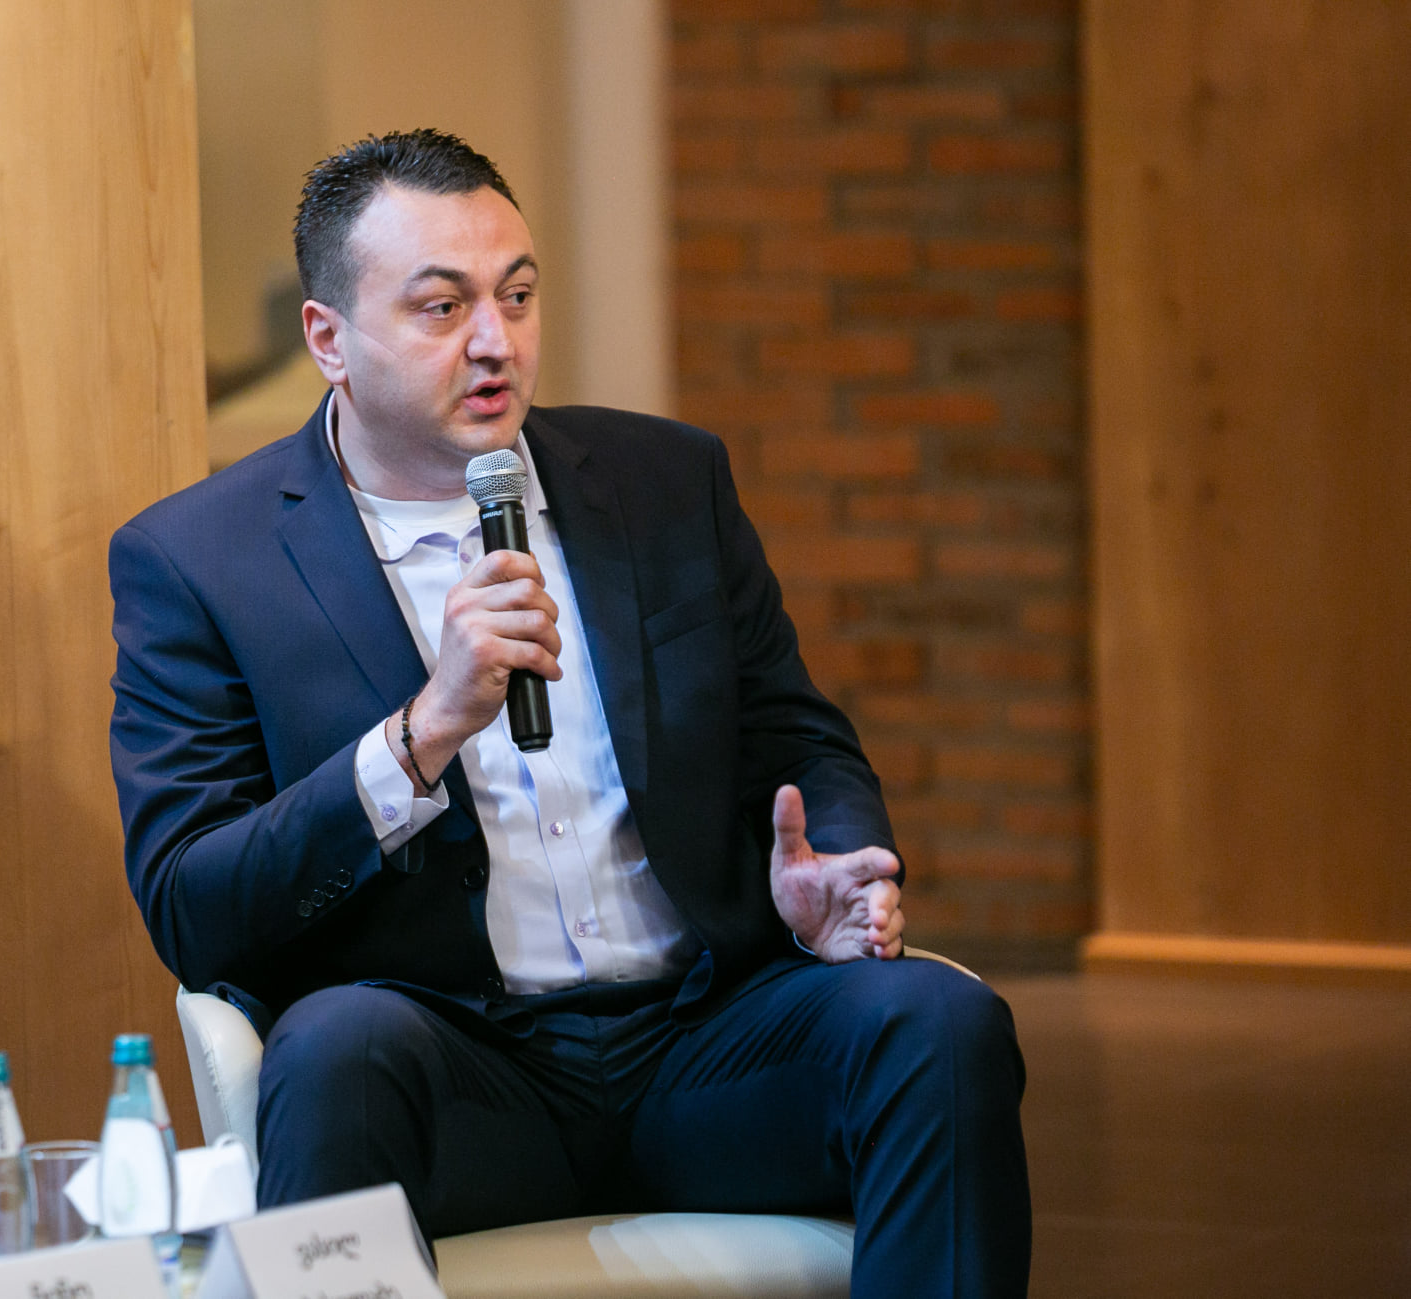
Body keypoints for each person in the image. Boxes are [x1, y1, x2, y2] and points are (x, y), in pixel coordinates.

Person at [109, 129, 1030, 1296]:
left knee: (939, 1025)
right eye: (442, 308)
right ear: (327, 339)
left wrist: (829, 875)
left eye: (518, 295)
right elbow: (191, 904)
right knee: (333, 1051)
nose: (496, 341)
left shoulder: (665, 483)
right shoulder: (200, 559)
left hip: (701, 1046)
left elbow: (795, 733)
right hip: (457, 1072)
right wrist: (422, 733)